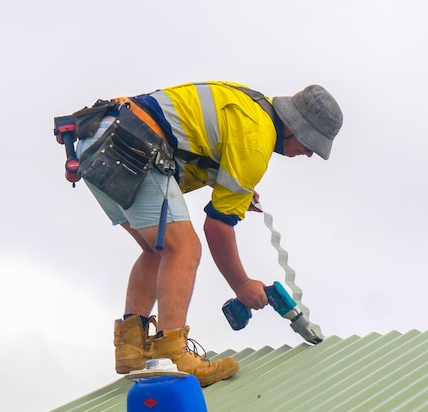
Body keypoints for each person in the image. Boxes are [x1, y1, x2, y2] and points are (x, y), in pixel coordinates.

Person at [73, 81, 343, 386]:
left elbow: (196, 144)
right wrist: (241, 284)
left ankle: (131, 348)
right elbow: (217, 228)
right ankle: (174, 354)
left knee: (157, 251)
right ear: (296, 128)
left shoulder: (252, 108)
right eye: (310, 145)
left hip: (97, 140)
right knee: (184, 249)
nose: (308, 154)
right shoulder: (257, 141)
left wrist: (233, 191)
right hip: (133, 145)